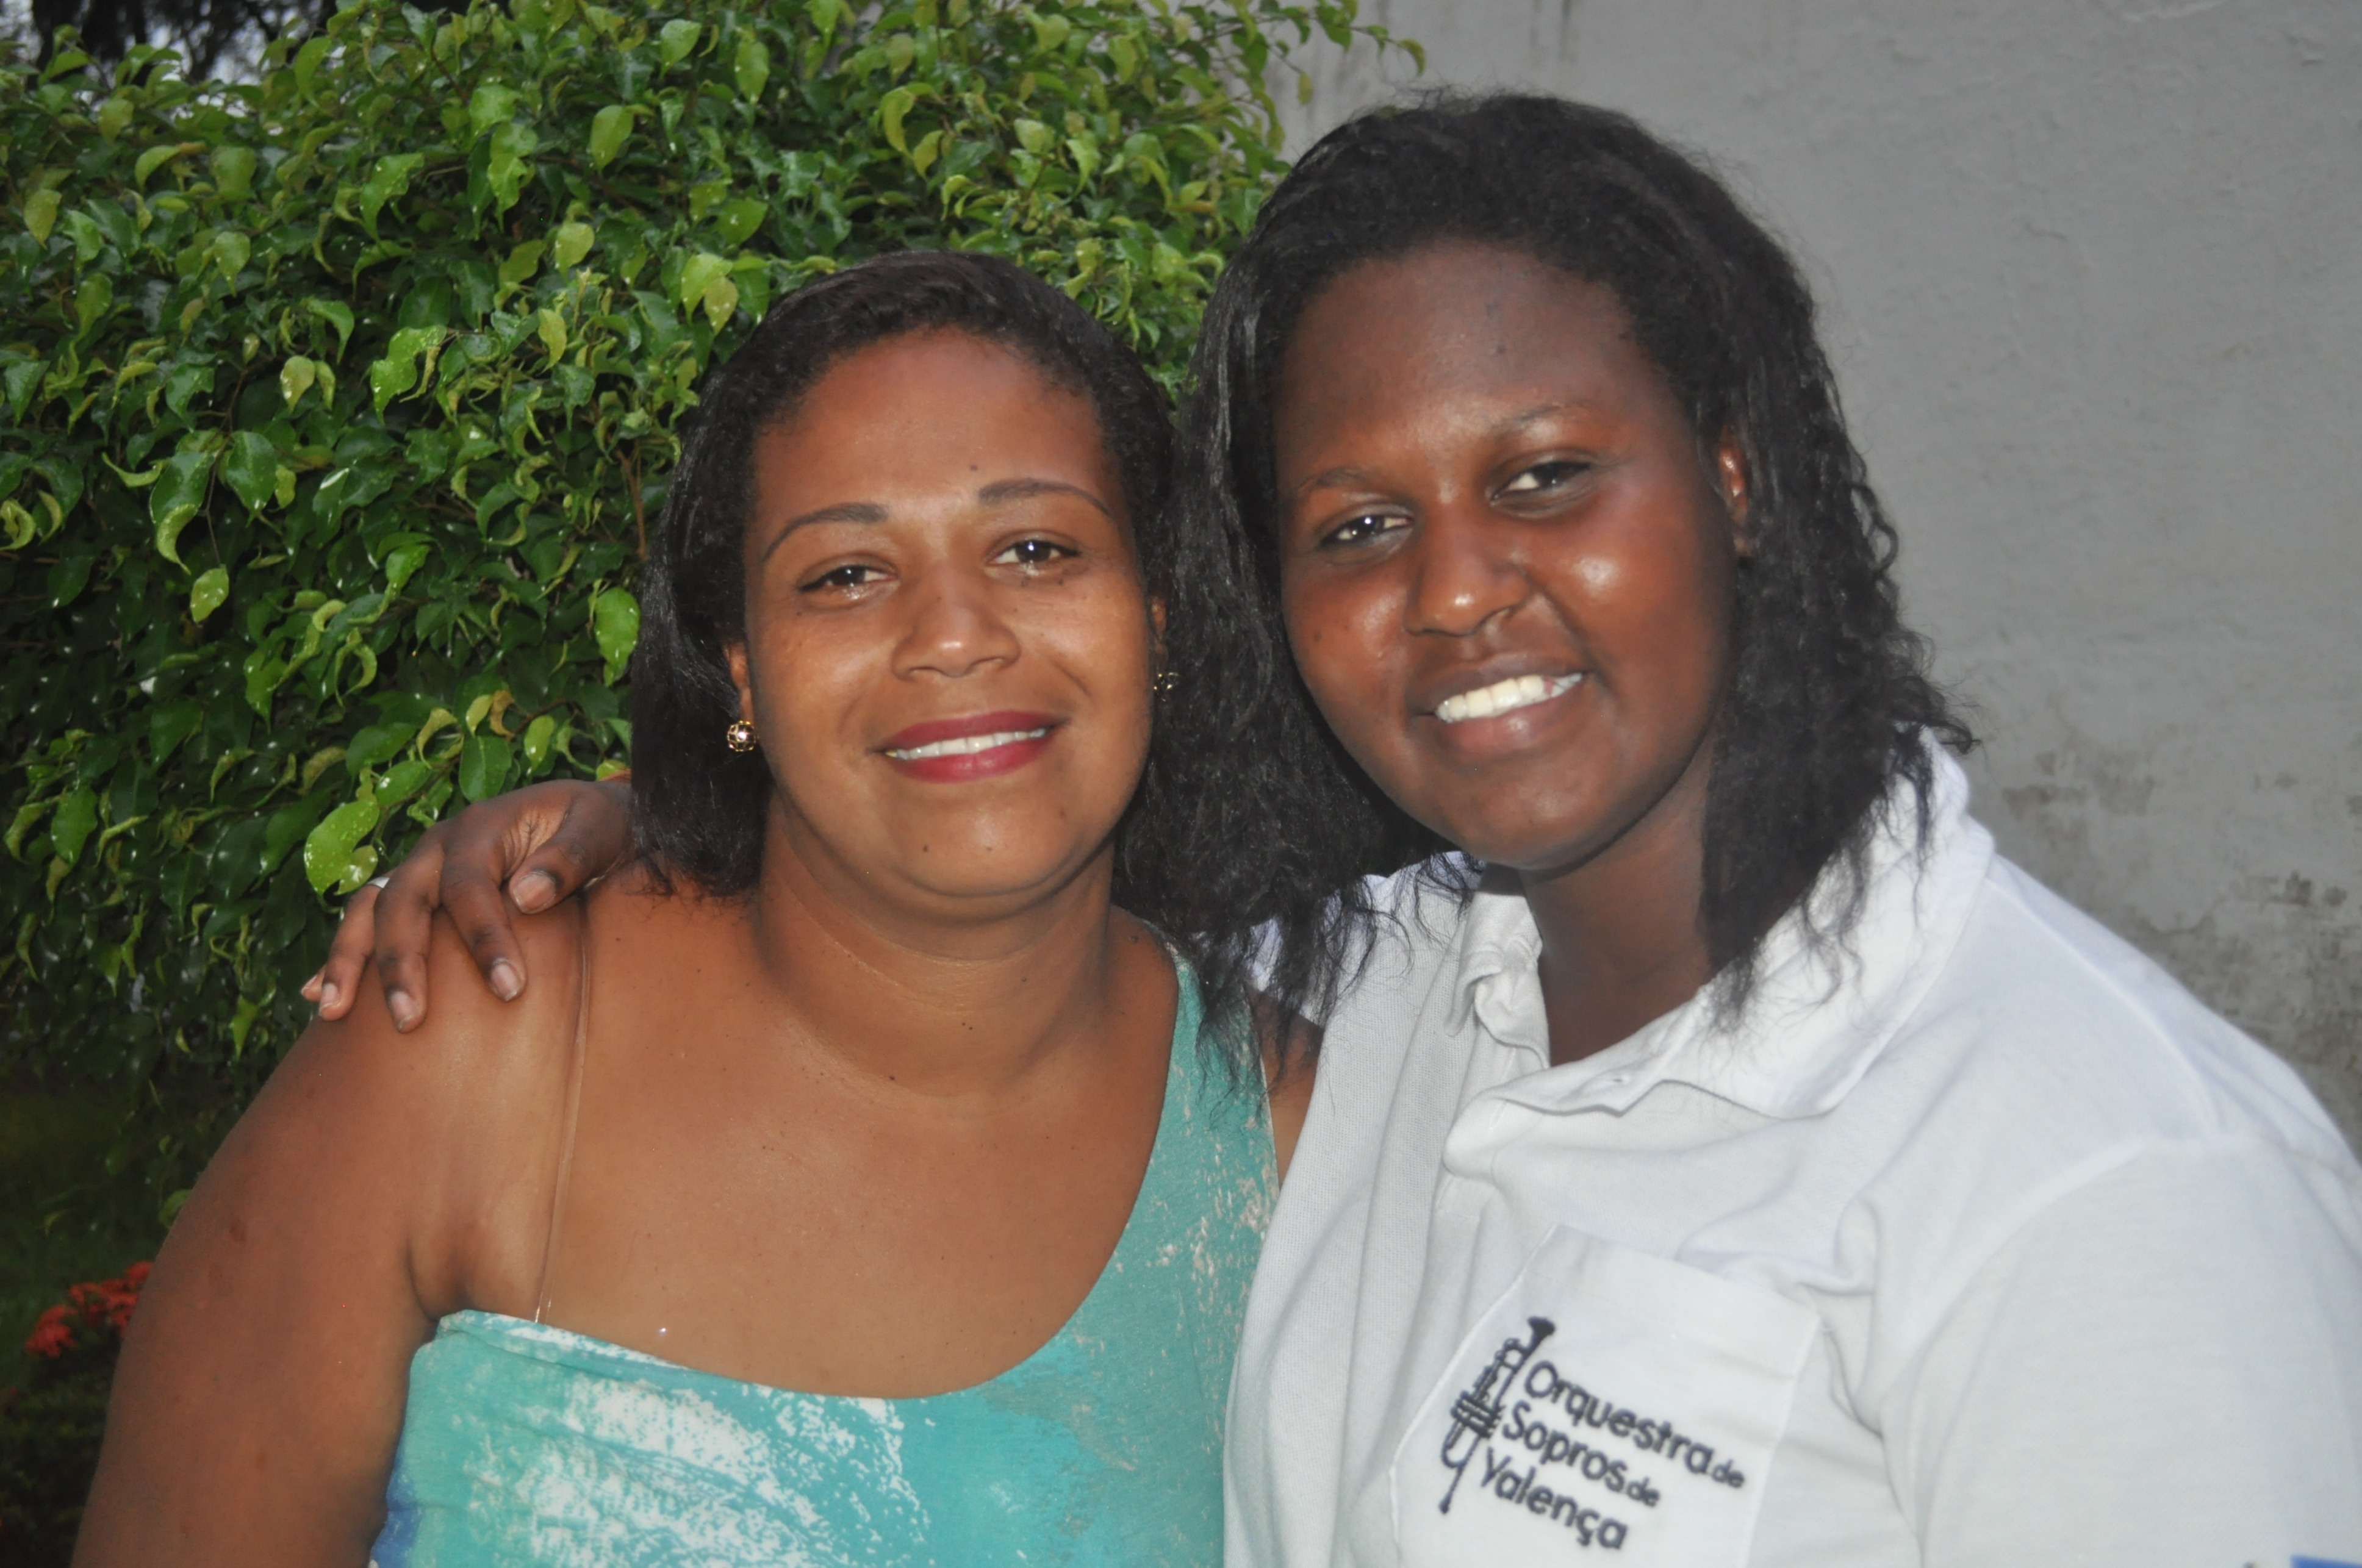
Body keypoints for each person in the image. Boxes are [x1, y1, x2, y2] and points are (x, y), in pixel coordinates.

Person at [308, 98, 2362, 1565]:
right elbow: (979, 881)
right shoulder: (1370, 1009)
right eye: (1361, 524)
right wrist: (635, 813)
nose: (1457, 590)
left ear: (1736, 476)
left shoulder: (2107, 1179)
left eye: (1545, 476)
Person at [78, 251, 1319, 1567]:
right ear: (741, 670)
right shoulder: (482, 1033)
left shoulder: (1299, 1137)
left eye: (1035, 548)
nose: (954, 634)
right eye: (845, 574)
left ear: (1158, 618)